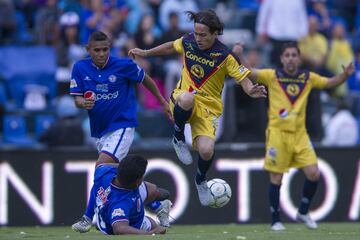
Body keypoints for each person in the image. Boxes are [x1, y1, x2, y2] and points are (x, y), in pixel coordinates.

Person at [129, 9, 267, 207]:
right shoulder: (188, 41)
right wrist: (146, 53)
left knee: (206, 150)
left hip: (208, 109)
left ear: (214, 33)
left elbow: (242, 77)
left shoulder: (225, 55)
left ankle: (201, 180)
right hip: (183, 98)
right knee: (186, 98)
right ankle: (178, 137)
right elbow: (170, 47)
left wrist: (249, 90)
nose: (199, 38)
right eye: (196, 33)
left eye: (203, 35)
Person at [232, 42, 355, 230]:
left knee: (314, 174)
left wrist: (344, 75)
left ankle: (303, 212)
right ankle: (275, 220)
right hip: (277, 134)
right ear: (282, 59)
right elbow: (250, 71)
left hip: (300, 135)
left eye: (293, 55)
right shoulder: (272, 76)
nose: (290, 58)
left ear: (299, 58)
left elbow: (329, 83)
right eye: (287, 55)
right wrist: (240, 55)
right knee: (276, 178)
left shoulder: (307, 77)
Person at [70, 31, 172, 232]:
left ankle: (87, 218)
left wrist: (162, 101)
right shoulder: (80, 68)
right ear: (88, 50)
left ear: (110, 48)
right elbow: (77, 99)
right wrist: (84, 102)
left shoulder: (123, 65)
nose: (101, 54)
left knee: (101, 169)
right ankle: (158, 205)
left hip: (122, 125)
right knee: (119, 178)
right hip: (99, 131)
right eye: (97, 50)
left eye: (105, 49)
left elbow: (146, 80)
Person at [94, 154, 167, 235]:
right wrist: (149, 233)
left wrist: (126, 167)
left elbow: (100, 165)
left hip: (120, 192)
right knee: (152, 224)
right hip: (121, 220)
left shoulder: (103, 172)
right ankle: (157, 205)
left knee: (155, 191)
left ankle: (159, 205)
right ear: (137, 181)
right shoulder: (121, 204)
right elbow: (119, 229)